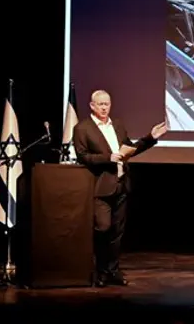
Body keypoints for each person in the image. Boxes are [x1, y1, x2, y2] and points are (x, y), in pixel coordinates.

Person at [72, 90, 168, 287]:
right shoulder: (83, 128)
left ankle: (113, 271)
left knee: (117, 231)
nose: (105, 107)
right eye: (100, 104)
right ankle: (100, 270)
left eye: (107, 103)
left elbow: (128, 150)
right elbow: (82, 156)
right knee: (103, 228)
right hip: (100, 187)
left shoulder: (117, 125)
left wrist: (150, 137)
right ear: (92, 105)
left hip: (121, 184)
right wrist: (107, 158)